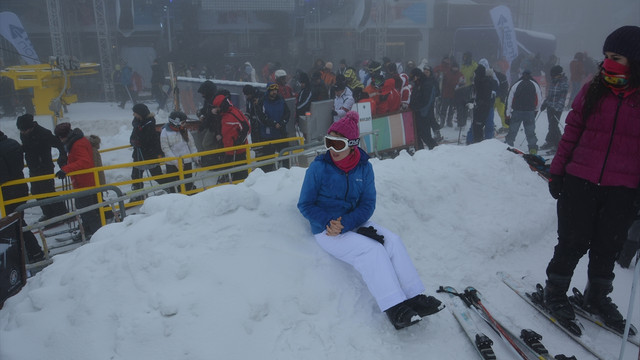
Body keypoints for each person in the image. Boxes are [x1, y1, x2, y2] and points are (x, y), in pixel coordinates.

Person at [297, 111, 444, 330]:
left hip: (353, 222)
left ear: (352, 145)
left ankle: (414, 297)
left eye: (337, 145)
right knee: (372, 251)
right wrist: (330, 222)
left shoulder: (364, 168)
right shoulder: (319, 167)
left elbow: (368, 204)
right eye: (329, 142)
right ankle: (395, 308)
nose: (332, 149)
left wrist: (347, 222)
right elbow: (305, 204)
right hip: (326, 230)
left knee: (392, 241)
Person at [543, 26, 640, 333]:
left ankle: (597, 296)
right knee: (571, 241)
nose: (609, 63)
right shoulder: (594, 88)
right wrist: (557, 170)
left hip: (623, 188)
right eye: (607, 56)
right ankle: (555, 291)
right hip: (580, 180)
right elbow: (572, 131)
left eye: (618, 57)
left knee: (608, 246)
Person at [0, 129, 45, 263]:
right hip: (20, 185)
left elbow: (3, 174)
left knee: (15, 222)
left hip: (9, 190)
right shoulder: (12, 143)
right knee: (18, 220)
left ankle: (33, 252)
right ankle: (31, 251)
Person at [16, 114, 69, 223]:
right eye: (21, 131)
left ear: (30, 127)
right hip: (33, 167)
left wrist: (62, 156)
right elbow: (28, 147)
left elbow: (59, 144)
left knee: (48, 191)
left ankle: (62, 214)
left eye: (24, 130)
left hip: (45, 167)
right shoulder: (24, 134)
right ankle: (48, 213)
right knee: (36, 191)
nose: (22, 132)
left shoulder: (44, 133)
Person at [54, 123, 101, 239]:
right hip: (83, 180)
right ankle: (88, 230)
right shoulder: (76, 141)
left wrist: (66, 169)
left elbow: (85, 162)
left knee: (87, 210)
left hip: (84, 181)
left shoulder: (77, 144)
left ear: (63, 136)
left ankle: (96, 233)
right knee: (85, 208)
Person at [129, 103, 167, 200]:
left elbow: (148, 139)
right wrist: (134, 141)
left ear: (140, 113)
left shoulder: (149, 123)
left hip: (149, 154)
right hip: (138, 154)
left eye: (135, 113)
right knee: (136, 176)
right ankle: (138, 195)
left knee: (157, 175)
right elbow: (133, 136)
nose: (134, 115)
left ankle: (172, 188)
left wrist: (139, 141)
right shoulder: (137, 123)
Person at [211, 95, 250, 181]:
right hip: (228, 149)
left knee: (240, 174)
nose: (215, 109)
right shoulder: (224, 115)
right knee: (228, 172)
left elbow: (247, 127)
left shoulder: (234, 113)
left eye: (217, 107)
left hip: (238, 151)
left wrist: (239, 142)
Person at [505, 69, 542, 154]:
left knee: (512, 131)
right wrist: (536, 110)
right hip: (529, 112)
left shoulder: (516, 84)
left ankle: (508, 147)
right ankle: (533, 149)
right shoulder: (535, 84)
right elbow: (539, 99)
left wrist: (508, 114)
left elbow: (509, 100)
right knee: (530, 132)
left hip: (517, 111)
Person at [161, 111, 199, 192]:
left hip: (186, 160)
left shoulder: (184, 130)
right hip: (172, 163)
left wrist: (196, 157)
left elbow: (192, 145)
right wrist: (176, 162)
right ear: (175, 122)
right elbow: (165, 149)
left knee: (187, 182)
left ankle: (188, 194)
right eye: (183, 122)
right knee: (173, 184)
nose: (184, 124)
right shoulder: (165, 132)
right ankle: (175, 198)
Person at [540, 65, 569, 152]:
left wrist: (556, 108)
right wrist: (545, 103)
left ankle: (558, 144)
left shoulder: (563, 83)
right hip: (550, 107)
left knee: (554, 126)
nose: (552, 76)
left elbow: (562, 98)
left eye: (553, 75)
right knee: (551, 125)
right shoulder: (553, 81)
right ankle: (550, 141)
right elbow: (550, 95)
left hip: (557, 108)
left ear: (558, 74)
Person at [409, 68, 438, 150]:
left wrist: (416, 107)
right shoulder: (418, 84)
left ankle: (436, 150)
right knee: (417, 135)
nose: (413, 80)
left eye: (413, 78)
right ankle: (420, 152)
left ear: (417, 76)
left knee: (426, 136)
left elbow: (426, 101)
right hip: (417, 114)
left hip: (424, 115)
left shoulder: (426, 84)